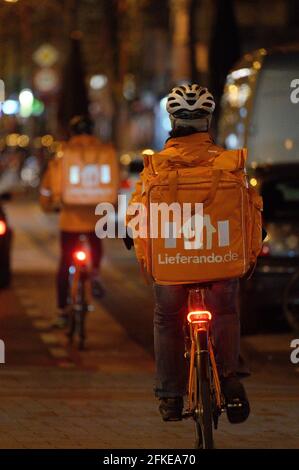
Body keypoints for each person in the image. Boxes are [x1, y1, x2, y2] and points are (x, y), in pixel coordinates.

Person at [126, 85, 250, 423]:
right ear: (208, 121)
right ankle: (229, 377)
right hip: (220, 263)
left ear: (171, 120)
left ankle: (169, 395)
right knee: (224, 310)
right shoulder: (228, 164)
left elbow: (138, 211)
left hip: (172, 266)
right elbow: (250, 209)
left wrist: (131, 233)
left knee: (167, 317)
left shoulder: (156, 167)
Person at [40, 115, 110, 328]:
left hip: (69, 218)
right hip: (96, 216)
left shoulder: (63, 155)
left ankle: (62, 312)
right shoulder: (104, 152)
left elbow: (48, 188)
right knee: (96, 243)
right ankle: (95, 273)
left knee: (64, 264)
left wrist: (48, 205)